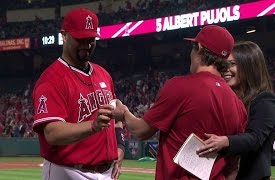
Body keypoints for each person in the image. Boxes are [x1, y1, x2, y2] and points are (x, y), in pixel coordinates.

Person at [111, 25, 247, 179]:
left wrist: (123, 114)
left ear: (200, 48)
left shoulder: (180, 86)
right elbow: (232, 166)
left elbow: (141, 131)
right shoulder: (238, 104)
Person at [32, 8, 125, 180]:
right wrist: (93, 125)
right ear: (64, 35)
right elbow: (52, 133)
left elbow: (115, 119)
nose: (87, 46)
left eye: (91, 40)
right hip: (68, 171)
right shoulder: (51, 80)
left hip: (107, 172)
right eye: (80, 39)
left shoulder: (104, 74)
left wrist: (120, 146)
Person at [196, 41, 275, 180]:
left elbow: (255, 138)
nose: (225, 69)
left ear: (249, 67)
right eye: (224, 64)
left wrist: (225, 141)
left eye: (232, 64)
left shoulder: (265, 100)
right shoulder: (229, 100)